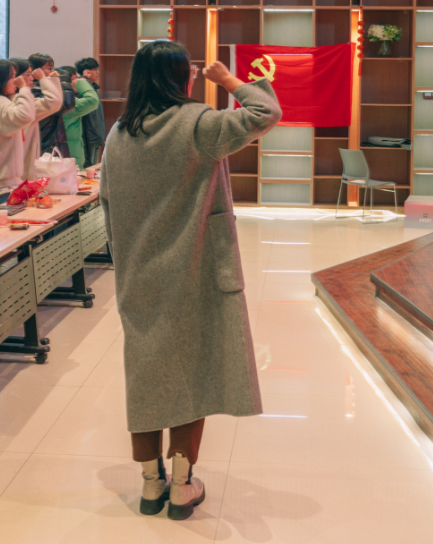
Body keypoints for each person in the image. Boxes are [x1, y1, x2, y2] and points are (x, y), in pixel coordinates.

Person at [99, 42, 280, 520]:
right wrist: (229, 80)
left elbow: (107, 203)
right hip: (196, 268)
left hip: (139, 273)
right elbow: (265, 112)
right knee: (191, 371)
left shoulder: (119, 133)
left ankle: (150, 482)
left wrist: (125, 262)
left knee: (146, 373)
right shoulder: (199, 124)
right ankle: (182, 485)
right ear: (182, 78)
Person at [0, 59, 60, 203]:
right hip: (3, 182)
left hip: (0, 180)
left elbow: (53, 102)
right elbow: (27, 114)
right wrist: (26, 88)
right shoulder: (4, 102)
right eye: (26, 75)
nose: (30, 79)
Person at [57, 65, 100, 168]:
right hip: (71, 157)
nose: (75, 83)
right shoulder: (67, 104)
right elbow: (92, 101)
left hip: (65, 155)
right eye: (73, 80)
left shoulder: (56, 101)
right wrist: (82, 83)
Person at [30, 52, 70, 157]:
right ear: (36, 70)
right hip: (46, 142)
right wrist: (61, 81)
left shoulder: (44, 87)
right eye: (49, 68)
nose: (52, 72)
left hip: (51, 140)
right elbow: (66, 105)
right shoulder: (36, 89)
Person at [76, 57, 106, 165]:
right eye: (95, 69)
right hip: (89, 136)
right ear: (87, 71)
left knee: (93, 167)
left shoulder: (93, 89)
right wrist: (84, 79)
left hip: (96, 135)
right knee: (88, 167)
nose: (98, 72)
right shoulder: (81, 89)